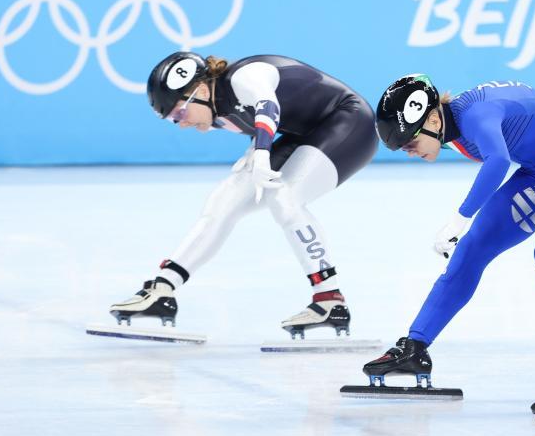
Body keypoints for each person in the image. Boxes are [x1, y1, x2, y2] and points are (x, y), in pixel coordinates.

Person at [361, 73, 535, 394]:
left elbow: (497, 161)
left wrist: (459, 218)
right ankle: (415, 347)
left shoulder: (475, 116)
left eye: (410, 142)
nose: (410, 151)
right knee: (472, 250)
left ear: (435, 119)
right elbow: (527, 109)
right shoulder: (451, 127)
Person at [108, 52, 378, 339]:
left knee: (284, 196)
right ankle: (163, 288)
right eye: (173, 120)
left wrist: (262, 153)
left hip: (349, 121)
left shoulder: (243, 77)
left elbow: (267, 105)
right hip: (302, 133)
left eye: (179, 113)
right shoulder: (213, 110)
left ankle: (329, 300)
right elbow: (267, 118)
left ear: (199, 90)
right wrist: (255, 151)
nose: (182, 123)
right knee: (225, 200)